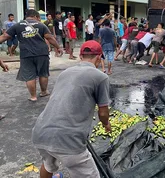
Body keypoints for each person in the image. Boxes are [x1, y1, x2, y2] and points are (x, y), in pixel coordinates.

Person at [32, 40, 111, 178]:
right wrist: (106, 124)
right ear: (99, 57)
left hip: (41, 132)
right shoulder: (101, 77)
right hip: (68, 140)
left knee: (48, 165)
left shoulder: (65, 72)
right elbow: (103, 112)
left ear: (80, 56)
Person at [0, 9, 62, 101]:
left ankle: (33, 96)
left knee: (29, 75)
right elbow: (50, 38)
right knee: (43, 73)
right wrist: (58, 47)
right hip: (42, 53)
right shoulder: (41, 25)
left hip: (26, 54)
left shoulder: (17, 25)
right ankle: (44, 92)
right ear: (36, 16)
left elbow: (5, 36)